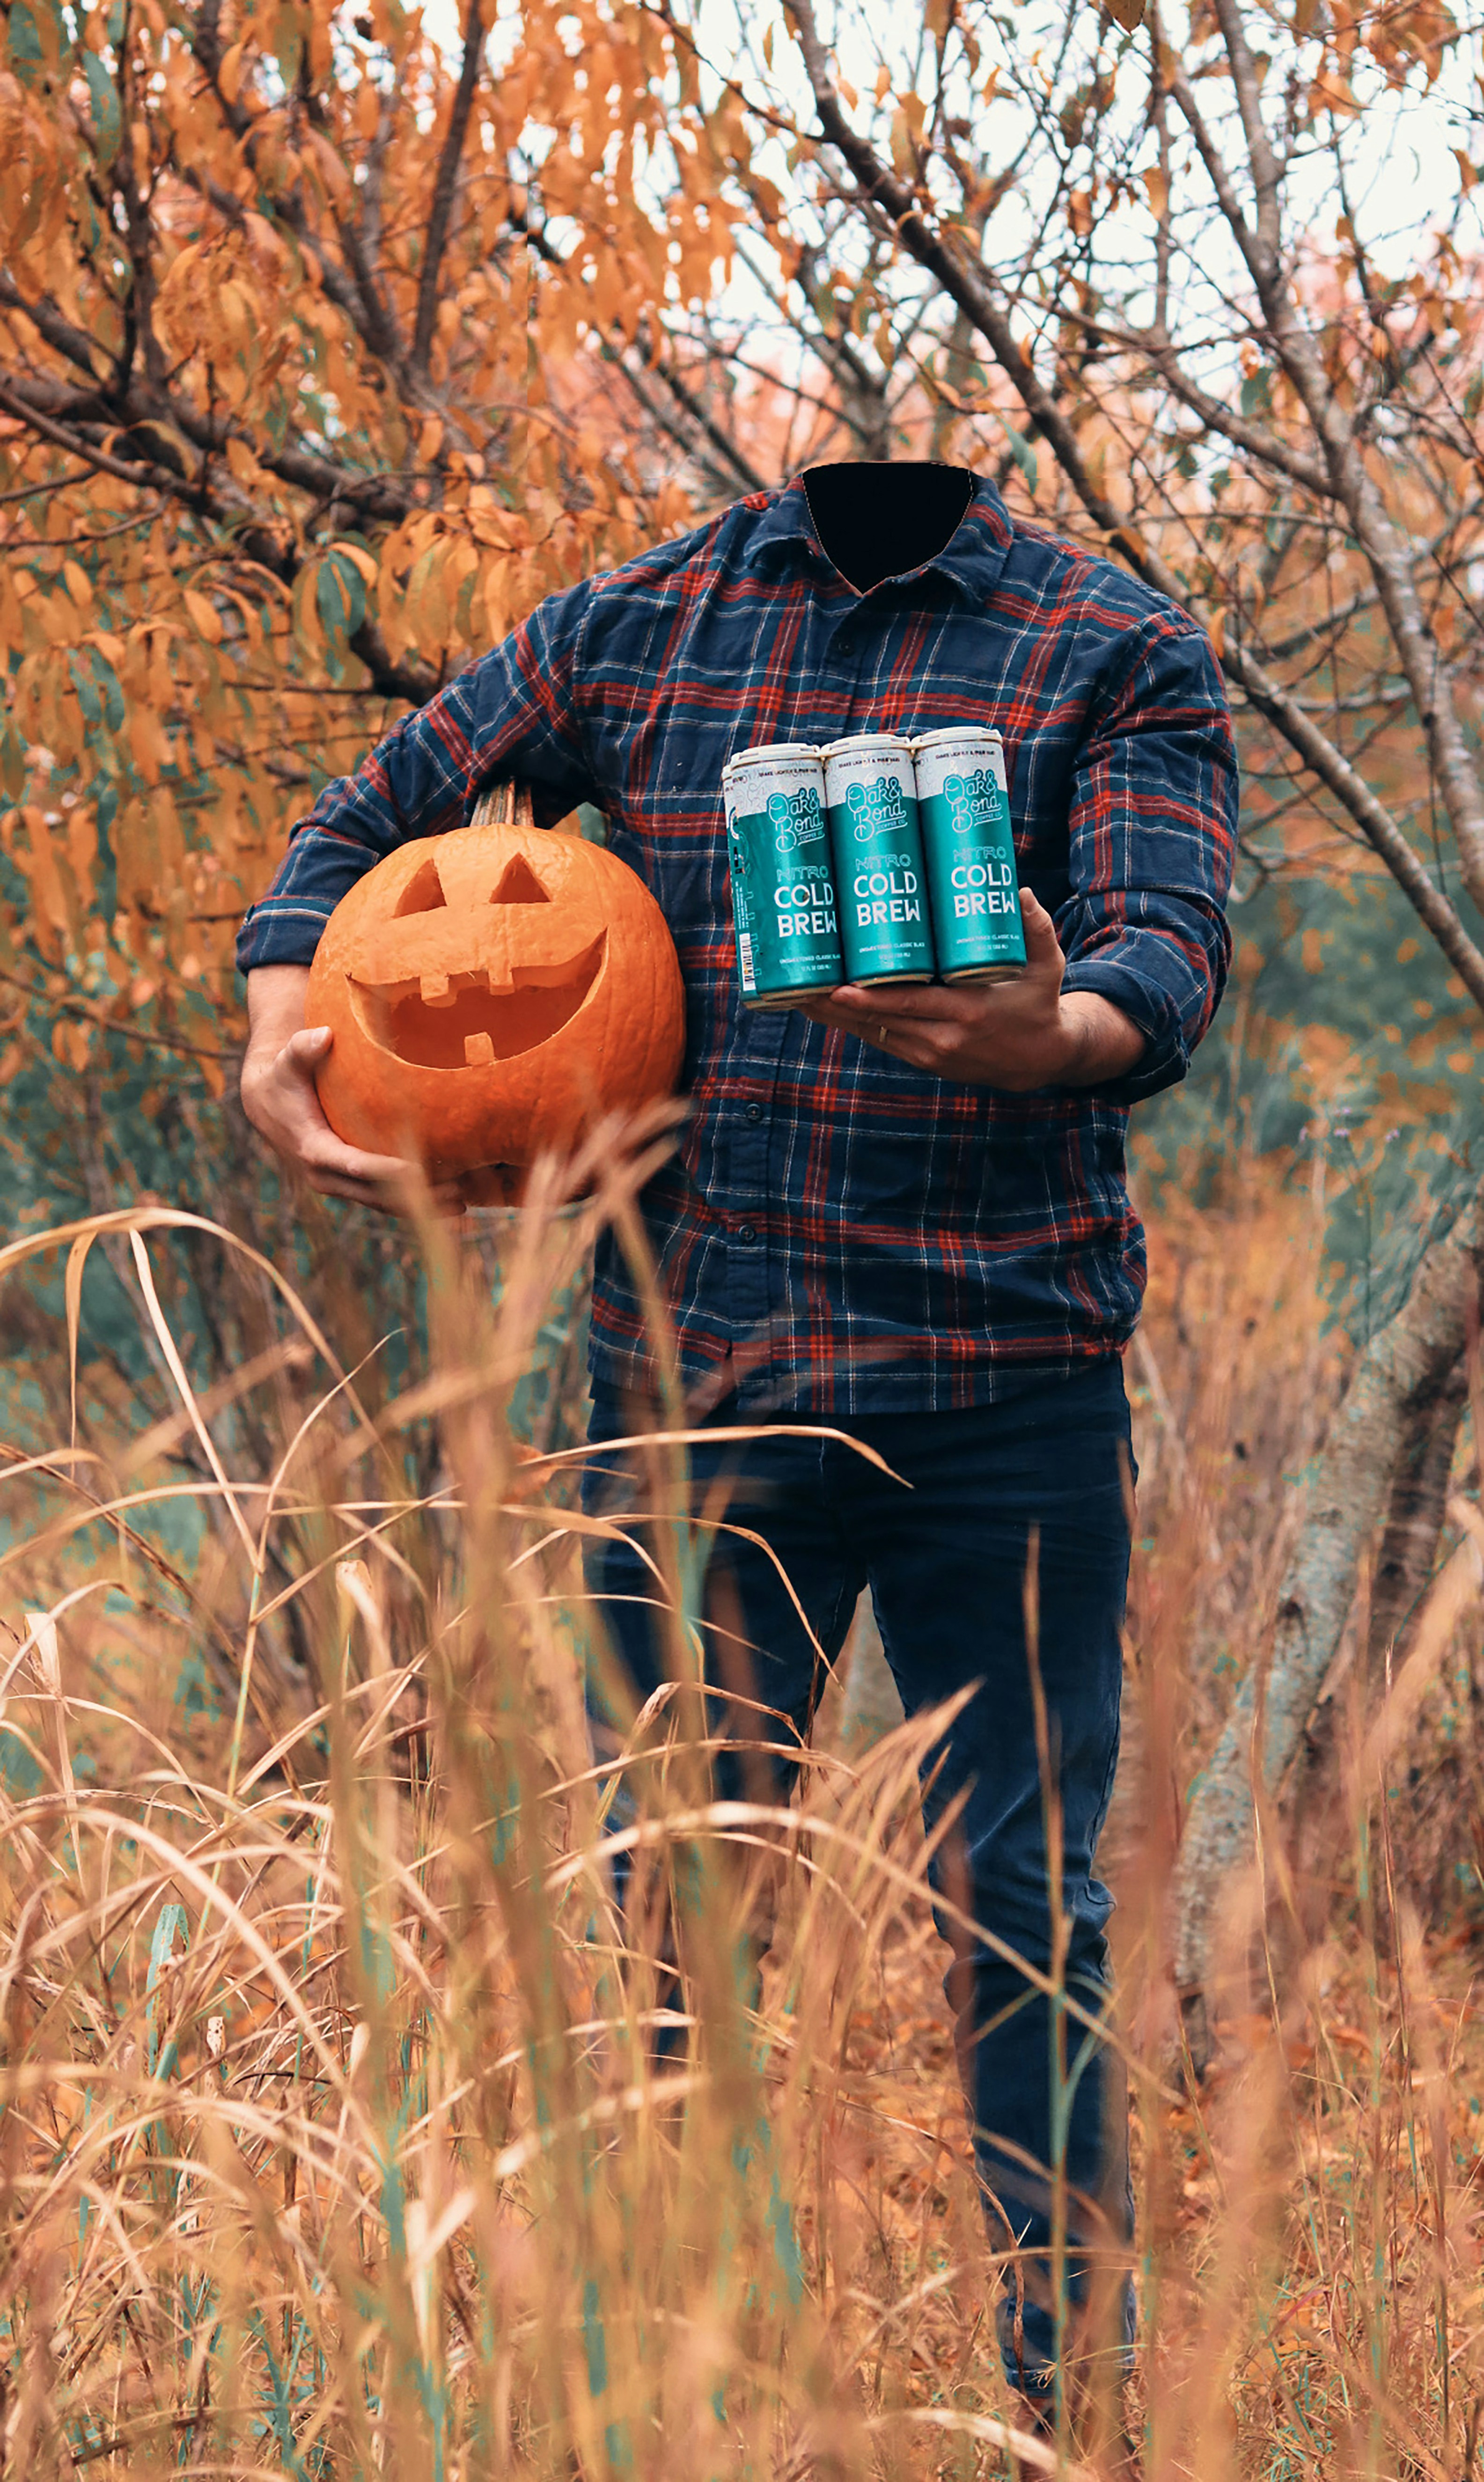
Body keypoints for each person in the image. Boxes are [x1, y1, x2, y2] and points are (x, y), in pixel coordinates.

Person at [238, 460, 1237, 2418]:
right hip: (695, 1395)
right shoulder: (634, 626)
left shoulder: (1109, 645)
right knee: (669, 1900)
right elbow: (362, 820)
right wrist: (290, 1020)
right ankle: (676, 2393)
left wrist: (1073, 1028)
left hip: (1005, 1389)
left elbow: (1166, 942)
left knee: (1025, 1910)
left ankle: (1076, 2413)